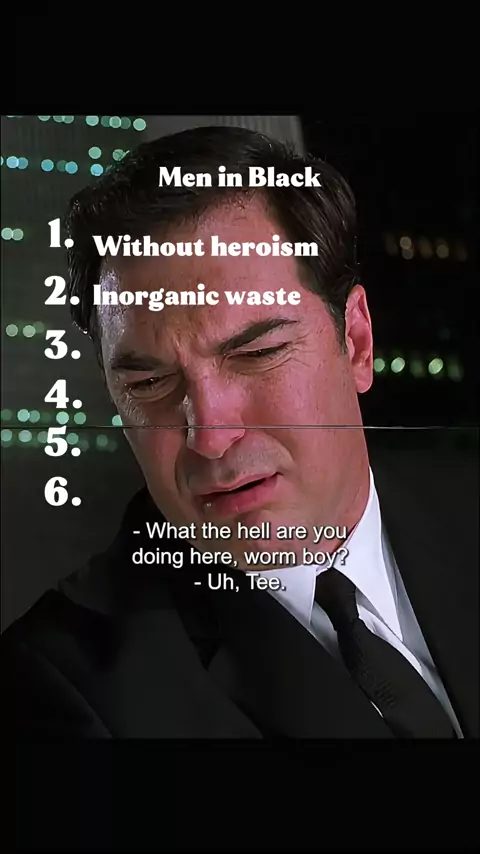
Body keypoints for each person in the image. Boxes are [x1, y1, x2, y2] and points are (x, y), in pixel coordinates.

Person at [3, 127, 478, 738]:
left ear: (357, 342)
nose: (210, 434)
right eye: (150, 384)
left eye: (257, 354)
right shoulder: (59, 694)